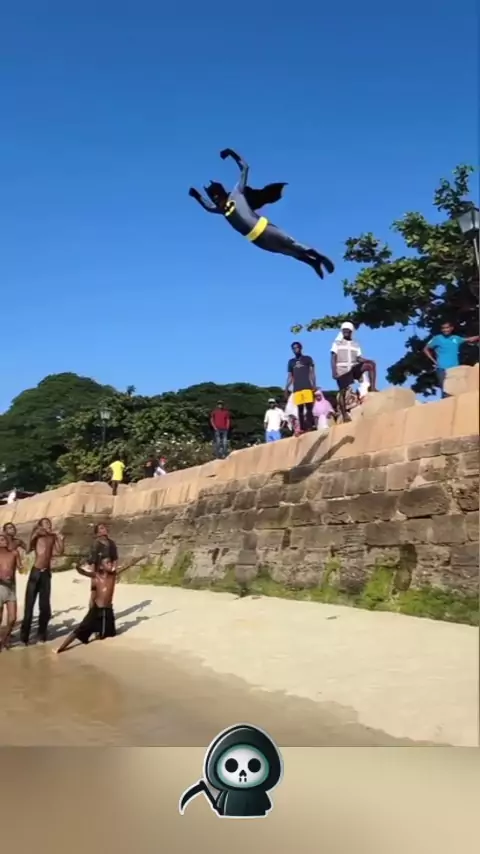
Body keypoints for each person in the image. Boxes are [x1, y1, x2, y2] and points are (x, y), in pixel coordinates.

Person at [54, 556, 130, 653]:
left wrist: (140, 557)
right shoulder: (96, 575)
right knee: (81, 629)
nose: (110, 564)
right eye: (107, 563)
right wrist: (76, 567)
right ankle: (61, 647)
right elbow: (83, 572)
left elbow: (128, 565)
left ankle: (97, 631)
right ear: (102, 566)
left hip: (108, 611)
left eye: (111, 562)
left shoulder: (113, 575)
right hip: (97, 610)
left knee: (110, 634)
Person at [20, 518, 64, 645]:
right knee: (29, 605)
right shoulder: (38, 534)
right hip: (36, 572)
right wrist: (37, 533)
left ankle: (42, 634)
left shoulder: (52, 537)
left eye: (49, 523)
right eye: (45, 523)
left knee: (45, 607)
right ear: (40, 526)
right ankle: (24, 637)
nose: (48, 525)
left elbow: (59, 551)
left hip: (46, 573)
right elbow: (29, 547)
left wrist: (60, 539)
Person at [331, 322, 378, 422]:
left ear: (351, 332)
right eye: (344, 331)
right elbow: (333, 357)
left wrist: (368, 360)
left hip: (353, 368)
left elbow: (358, 358)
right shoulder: (337, 343)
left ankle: (372, 388)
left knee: (371, 365)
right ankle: (344, 415)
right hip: (342, 371)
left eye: (347, 331)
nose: (345, 332)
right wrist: (334, 372)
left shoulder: (355, 344)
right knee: (342, 392)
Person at [423, 322, 479, 398]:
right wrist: (434, 361)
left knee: (455, 391)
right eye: (443, 328)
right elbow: (425, 349)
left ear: (451, 328)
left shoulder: (456, 338)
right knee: (446, 391)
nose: (445, 330)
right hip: (442, 369)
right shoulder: (437, 338)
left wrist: (478, 337)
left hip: (455, 369)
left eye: (447, 328)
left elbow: (469, 339)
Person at [86, 523, 118, 609]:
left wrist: (114, 571)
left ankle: (106, 613)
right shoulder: (96, 544)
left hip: (109, 572)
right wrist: (93, 576)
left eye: (105, 527)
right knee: (94, 594)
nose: (105, 529)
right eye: (101, 528)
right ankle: (92, 612)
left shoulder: (111, 543)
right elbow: (92, 561)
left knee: (108, 594)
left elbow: (115, 558)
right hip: (98, 572)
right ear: (98, 532)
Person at [286, 342, 316, 433]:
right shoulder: (291, 362)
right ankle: (302, 428)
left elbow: (312, 373)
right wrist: (286, 387)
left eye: (297, 347)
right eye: (293, 348)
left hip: (307, 386)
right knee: (300, 409)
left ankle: (310, 426)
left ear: (300, 348)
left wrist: (314, 385)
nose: (295, 349)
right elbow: (290, 376)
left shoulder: (307, 359)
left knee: (309, 408)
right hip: (297, 388)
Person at [0, 533, 21, 650]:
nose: (3, 541)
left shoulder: (14, 553)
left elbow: (20, 567)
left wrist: (21, 567)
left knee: (12, 618)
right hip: (0, 588)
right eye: (0, 540)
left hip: (11, 589)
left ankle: (5, 639)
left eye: (4, 539)